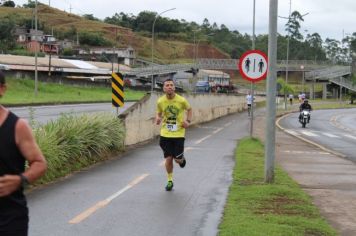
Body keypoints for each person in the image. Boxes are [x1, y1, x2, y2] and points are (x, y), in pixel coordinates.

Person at [0, 71, 47, 236]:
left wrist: (20, 180)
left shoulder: (17, 127)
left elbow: (40, 163)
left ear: (2, 89)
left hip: (9, 220)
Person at [156, 79, 192, 191]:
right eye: (167, 85)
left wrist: (188, 121)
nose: (170, 87)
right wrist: (158, 118)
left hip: (178, 134)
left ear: (174, 88)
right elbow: (159, 112)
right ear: (164, 88)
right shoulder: (160, 101)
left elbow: (189, 109)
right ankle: (170, 181)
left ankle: (181, 159)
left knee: (177, 160)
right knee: (168, 158)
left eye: (171, 85)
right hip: (165, 134)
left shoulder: (181, 100)